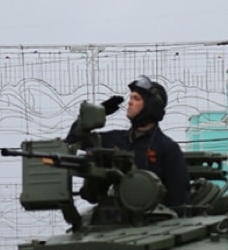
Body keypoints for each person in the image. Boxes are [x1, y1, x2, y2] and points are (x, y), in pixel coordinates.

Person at [68, 76, 190, 207]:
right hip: (117, 219)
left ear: (151, 106)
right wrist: (93, 116)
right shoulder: (115, 140)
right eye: (130, 98)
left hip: (153, 221)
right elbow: (73, 140)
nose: (130, 103)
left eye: (136, 99)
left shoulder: (167, 148)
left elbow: (179, 200)